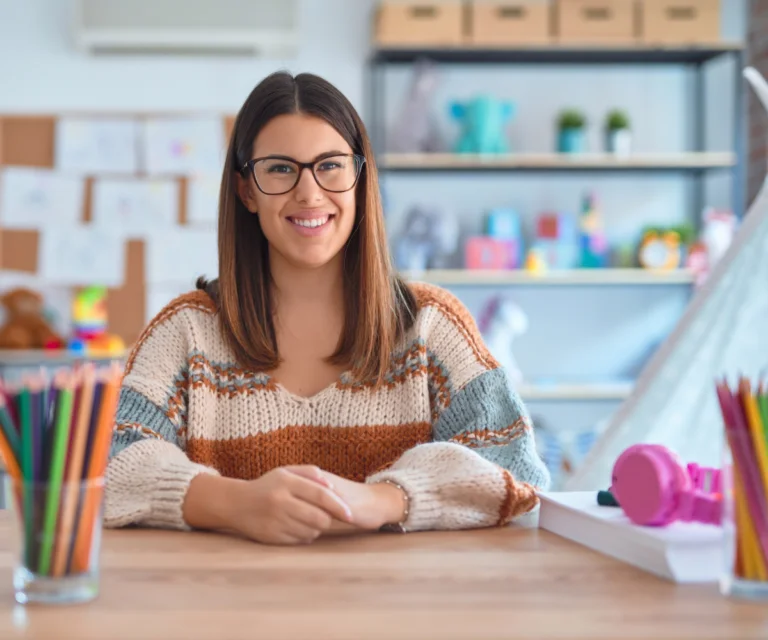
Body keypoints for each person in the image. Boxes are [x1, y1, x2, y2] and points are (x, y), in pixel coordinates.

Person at [105, 71, 550, 545]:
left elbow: (514, 467)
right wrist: (239, 504)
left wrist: (379, 500)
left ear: (361, 178)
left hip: (401, 612)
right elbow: (108, 463)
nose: (309, 193)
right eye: (280, 168)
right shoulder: (185, 332)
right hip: (230, 610)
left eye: (331, 165)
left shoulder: (431, 326)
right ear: (246, 190)